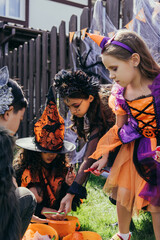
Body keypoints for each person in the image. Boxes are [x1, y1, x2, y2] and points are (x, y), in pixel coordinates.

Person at [87, 29, 160, 240]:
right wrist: (104, 156)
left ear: (135, 60)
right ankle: (123, 234)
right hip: (134, 148)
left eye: (114, 68)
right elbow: (119, 128)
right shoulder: (121, 93)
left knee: (156, 201)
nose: (111, 76)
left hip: (156, 148)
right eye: (108, 69)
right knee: (124, 192)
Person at [13, 86, 80, 221]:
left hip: (55, 215)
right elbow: (15, 201)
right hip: (27, 216)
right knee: (33, 189)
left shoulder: (63, 169)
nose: (51, 155)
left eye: (55, 152)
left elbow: (74, 203)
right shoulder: (23, 170)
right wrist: (43, 211)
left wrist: (69, 185)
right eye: (45, 151)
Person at [54, 69, 115, 214]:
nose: (73, 111)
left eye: (76, 105)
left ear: (90, 98)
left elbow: (89, 157)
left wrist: (71, 193)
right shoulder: (94, 111)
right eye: (69, 107)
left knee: (122, 192)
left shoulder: (107, 109)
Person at [0, 66, 36, 238]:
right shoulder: (2, 141)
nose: (19, 124)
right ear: (7, 113)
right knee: (27, 197)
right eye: (19, 118)